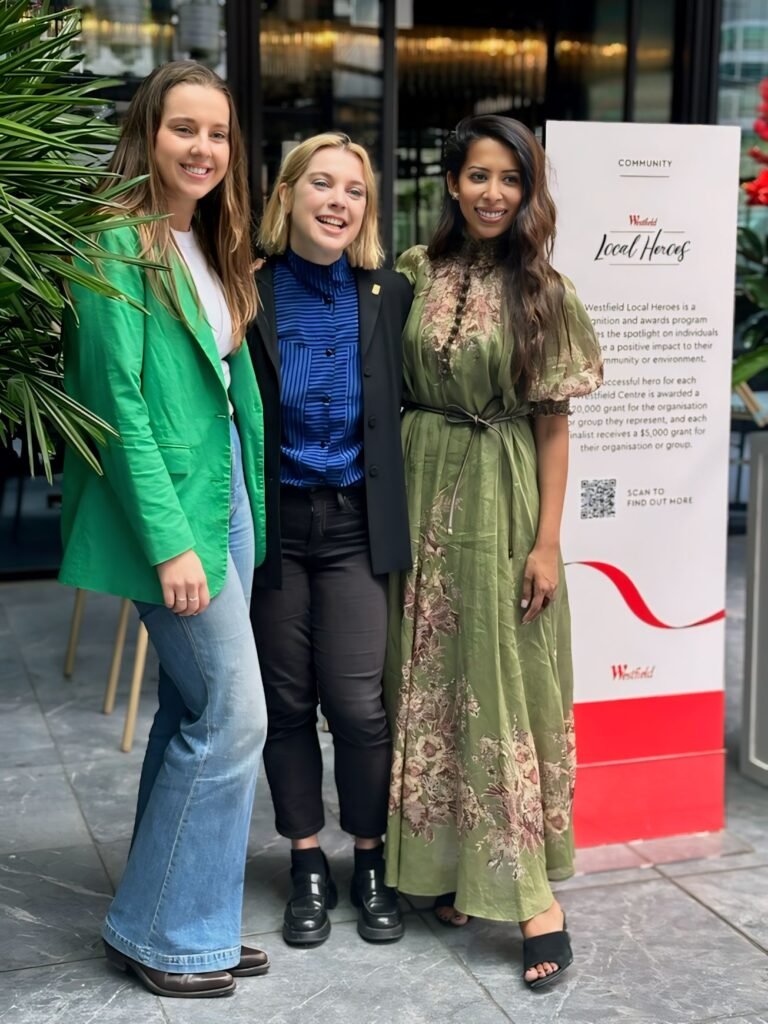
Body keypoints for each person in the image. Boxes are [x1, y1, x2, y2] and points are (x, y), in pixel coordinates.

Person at [59, 61, 269, 998]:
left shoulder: (208, 241)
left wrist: (236, 511)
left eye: (218, 133)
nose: (203, 148)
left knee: (193, 711)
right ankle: (165, 931)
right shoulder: (112, 241)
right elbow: (118, 405)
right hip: (177, 514)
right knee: (234, 716)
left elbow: (221, 390)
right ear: (147, 132)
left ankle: (188, 919)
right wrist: (171, 542)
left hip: (226, 499)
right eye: (185, 128)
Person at [383, 114, 603, 989]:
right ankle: (452, 873)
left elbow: (554, 427)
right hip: (418, 488)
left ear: (528, 191)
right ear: (452, 182)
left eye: (511, 179)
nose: (493, 193)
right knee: (429, 682)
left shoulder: (545, 291)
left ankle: (533, 899)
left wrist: (547, 543)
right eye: (478, 175)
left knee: (502, 680)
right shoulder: (413, 271)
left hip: (501, 494)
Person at [247, 133, 413, 948]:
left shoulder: (390, 292)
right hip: (274, 527)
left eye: (354, 189)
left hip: (354, 524)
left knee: (358, 705)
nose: (338, 201)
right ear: (287, 195)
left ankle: (370, 861)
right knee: (286, 705)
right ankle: (307, 862)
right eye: (321, 183)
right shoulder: (248, 288)